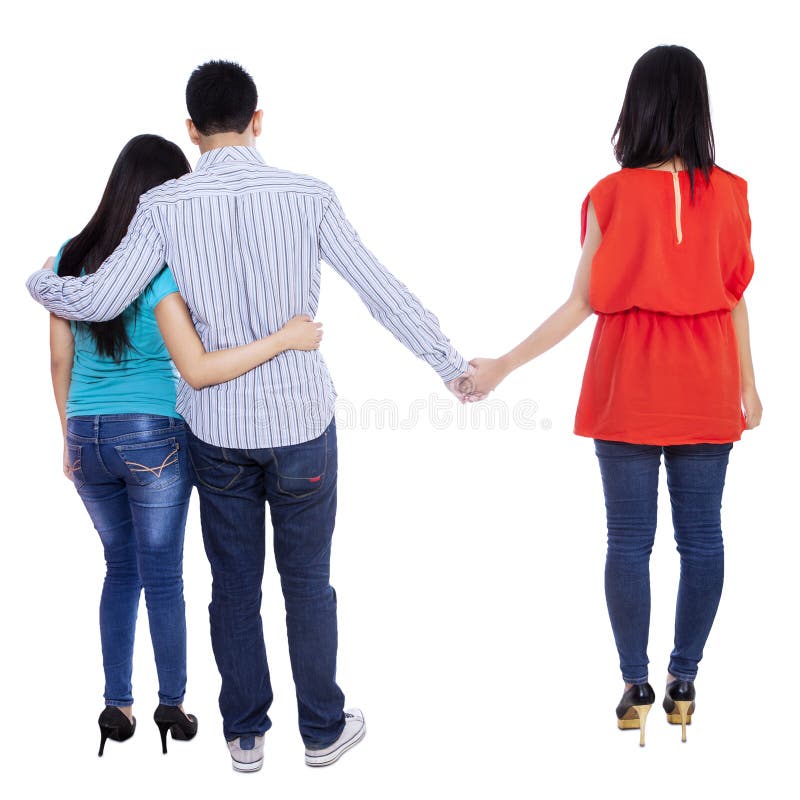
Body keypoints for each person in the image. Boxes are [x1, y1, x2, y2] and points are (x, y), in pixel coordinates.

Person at [28, 61, 472, 772]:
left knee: (232, 584)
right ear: (257, 119)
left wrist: (37, 278)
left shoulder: (163, 208)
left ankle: (244, 735)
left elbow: (100, 297)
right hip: (302, 427)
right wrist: (449, 364)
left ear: (192, 130)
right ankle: (323, 730)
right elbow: (379, 289)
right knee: (308, 581)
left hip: (215, 432)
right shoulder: (309, 195)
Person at [466, 45, 761, 746]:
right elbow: (735, 296)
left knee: (629, 541)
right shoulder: (734, 191)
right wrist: (748, 381)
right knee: (704, 538)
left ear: (639, 106)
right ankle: (684, 681)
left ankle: (636, 684)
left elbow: (581, 305)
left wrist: (505, 363)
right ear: (699, 104)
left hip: (628, 381)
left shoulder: (610, 193)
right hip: (706, 381)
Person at [47, 133, 324, 758]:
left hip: (86, 436)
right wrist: (283, 338)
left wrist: (68, 434)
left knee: (120, 570)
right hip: (153, 434)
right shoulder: (161, 263)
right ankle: (172, 704)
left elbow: (59, 357)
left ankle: (117, 706)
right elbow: (196, 366)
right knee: (165, 576)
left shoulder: (68, 255)